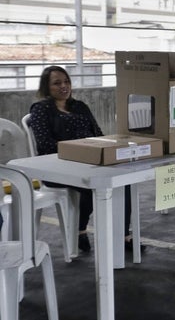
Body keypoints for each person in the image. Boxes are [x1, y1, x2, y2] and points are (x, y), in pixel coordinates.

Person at [28, 66, 142, 253]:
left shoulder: (79, 106)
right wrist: (78, 150)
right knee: (93, 185)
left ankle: (123, 235)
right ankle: (80, 228)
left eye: (66, 82)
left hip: (89, 162)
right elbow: (44, 144)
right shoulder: (41, 110)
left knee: (123, 181)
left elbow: (98, 134)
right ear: (46, 87)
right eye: (57, 83)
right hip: (58, 168)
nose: (64, 86)